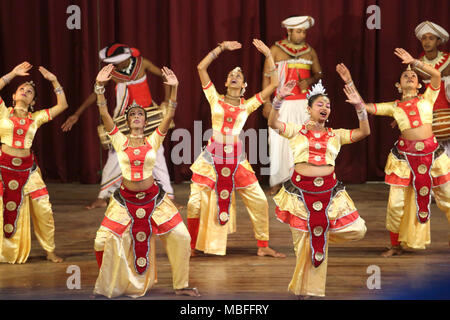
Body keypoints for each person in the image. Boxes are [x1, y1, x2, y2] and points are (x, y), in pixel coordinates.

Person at [92, 64, 199, 298]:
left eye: (140, 114)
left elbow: (170, 112)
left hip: (154, 198)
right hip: (124, 201)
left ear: (145, 118)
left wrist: (175, 88)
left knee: (182, 236)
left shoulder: (153, 140)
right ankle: (107, 282)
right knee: (101, 241)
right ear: (128, 121)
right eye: (133, 115)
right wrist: (100, 87)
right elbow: (104, 114)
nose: (137, 117)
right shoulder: (119, 140)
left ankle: (181, 285)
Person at [338, 48, 450, 256]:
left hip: (434, 155)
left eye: (414, 76)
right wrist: (350, 82)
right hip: (404, 160)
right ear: (398, 85)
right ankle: (395, 245)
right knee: (396, 204)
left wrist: (414, 61)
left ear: (419, 84)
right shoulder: (393, 106)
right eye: (405, 75)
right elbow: (365, 107)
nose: (410, 76)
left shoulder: (428, 98)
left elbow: (436, 75)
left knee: (448, 198)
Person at [268, 71, 368, 298]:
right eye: (320, 104)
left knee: (358, 229)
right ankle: (306, 291)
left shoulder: (336, 134)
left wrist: (359, 107)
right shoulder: (296, 131)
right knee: (301, 246)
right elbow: (273, 123)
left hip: (329, 191)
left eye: (328, 105)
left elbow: (364, 131)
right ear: (309, 109)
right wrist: (279, 100)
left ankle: (319, 233)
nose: (325, 107)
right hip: (300, 193)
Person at [186, 39, 285, 258]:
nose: (234, 76)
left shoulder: (248, 104)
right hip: (211, 158)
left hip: (237, 160)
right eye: (231, 74)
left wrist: (269, 55)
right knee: (194, 203)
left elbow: (274, 84)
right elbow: (201, 68)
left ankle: (263, 245)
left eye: (238, 76)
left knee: (259, 200)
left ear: (244, 86)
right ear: (225, 82)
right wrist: (220, 48)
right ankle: (191, 246)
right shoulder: (214, 99)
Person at [61, 43, 176, 210]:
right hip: (123, 119)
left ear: (127, 59)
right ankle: (103, 196)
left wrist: (166, 100)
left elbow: (166, 77)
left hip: (147, 116)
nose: (114, 66)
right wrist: (77, 114)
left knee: (157, 154)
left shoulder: (142, 63)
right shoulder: (112, 73)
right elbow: (96, 93)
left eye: (117, 63)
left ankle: (168, 197)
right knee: (115, 158)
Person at [0, 61, 66, 264]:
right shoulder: (3, 112)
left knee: (44, 208)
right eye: (21, 89)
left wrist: (54, 80)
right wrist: (12, 74)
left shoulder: (36, 117)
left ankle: (49, 250)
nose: (25, 91)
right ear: (13, 96)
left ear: (33, 101)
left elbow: (62, 106)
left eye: (29, 91)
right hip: (3, 167)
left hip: (29, 170)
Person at [262, 16, 323, 195]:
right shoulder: (275, 50)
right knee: (277, 141)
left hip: (303, 104)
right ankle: (277, 181)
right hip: (281, 103)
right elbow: (266, 77)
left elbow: (319, 72)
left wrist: (310, 80)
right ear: (288, 31)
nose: (302, 35)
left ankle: (302, 180)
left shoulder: (309, 51)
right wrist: (265, 102)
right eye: (298, 31)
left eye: (304, 31)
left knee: (302, 140)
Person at [414, 21, 450, 156]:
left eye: (431, 38)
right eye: (424, 38)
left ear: (439, 41)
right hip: (428, 115)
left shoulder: (448, 60)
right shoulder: (416, 65)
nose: (427, 42)